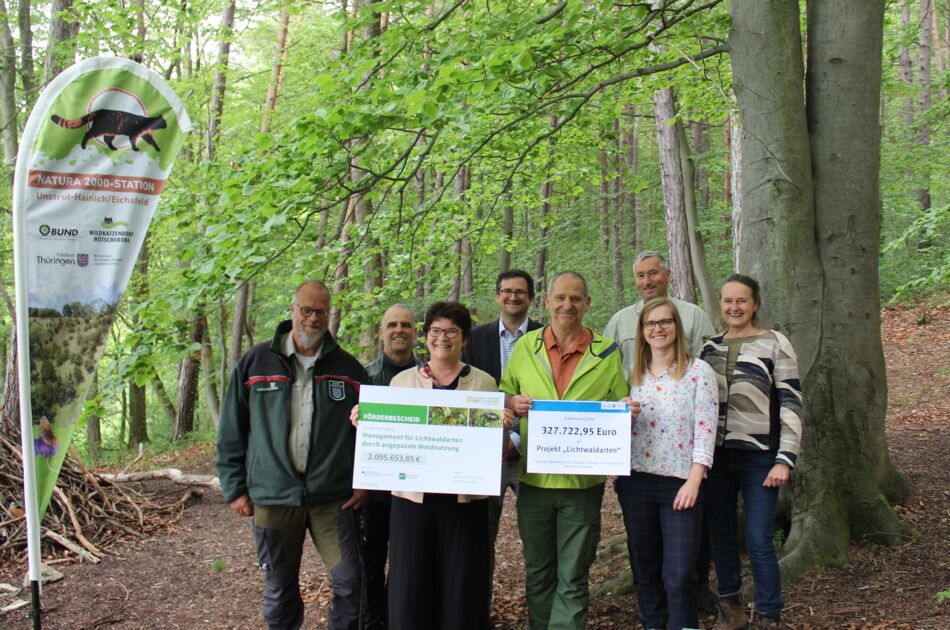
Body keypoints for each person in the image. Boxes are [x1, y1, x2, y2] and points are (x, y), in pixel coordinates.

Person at [216, 280, 368, 630]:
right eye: (307, 310)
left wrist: (365, 483)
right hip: (273, 495)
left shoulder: (347, 368)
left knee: (349, 581)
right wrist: (234, 487)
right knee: (279, 588)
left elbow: (371, 431)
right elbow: (231, 429)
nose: (313, 319)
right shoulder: (255, 363)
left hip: (334, 498)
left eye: (321, 312)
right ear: (292, 310)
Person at [355, 301, 505, 630]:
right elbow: (387, 433)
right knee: (411, 587)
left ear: (464, 339)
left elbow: (495, 450)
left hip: (464, 505)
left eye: (452, 331)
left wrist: (502, 427)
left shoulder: (484, 384)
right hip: (412, 502)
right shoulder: (403, 384)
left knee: (461, 588)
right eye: (435, 330)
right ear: (426, 337)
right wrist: (365, 421)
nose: (443, 338)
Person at [500, 271, 628, 630]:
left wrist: (626, 410)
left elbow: (619, 406)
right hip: (535, 482)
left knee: (572, 577)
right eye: (560, 298)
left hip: (582, 487)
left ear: (587, 304)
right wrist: (514, 402)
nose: (567, 305)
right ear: (547, 301)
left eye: (575, 299)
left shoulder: (607, 353)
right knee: (538, 573)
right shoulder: (527, 347)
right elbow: (503, 395)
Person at [603, 249, 718, 612]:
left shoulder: (698, 370)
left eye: (653, 273)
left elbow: (706, 427)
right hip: (635, 478)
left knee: (681, 571)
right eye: (640, 275)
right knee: (645, 567)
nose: (658, 329)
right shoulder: (633, 373)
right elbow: (607, 395)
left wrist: (695, 480)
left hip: (681, 479)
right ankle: (653, 622)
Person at [700, 274, 804, 629]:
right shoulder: (709, 348)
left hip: (760, 456)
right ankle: (731, 609)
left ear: (755, 304)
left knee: (759, 537)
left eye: (741, 301)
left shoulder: (775, 343)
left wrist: (785, 458)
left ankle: (770, 613)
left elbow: (791, 401)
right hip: (715, 458)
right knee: (722, 533)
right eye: (728, 301)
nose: (734, 307)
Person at [461, 269, 542, 613]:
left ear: (531, 299)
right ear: (497, 296)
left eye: (520, 292)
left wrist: (516, 438)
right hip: (484, 455)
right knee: (480, 540)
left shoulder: (545, 337)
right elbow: (463, 393)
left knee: (539, 540)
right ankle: (478, 613)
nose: (512, 297)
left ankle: (541, 612)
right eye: (506, 291)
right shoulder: (474, 339)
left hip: (535, 454)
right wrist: (499, 429)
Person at [361, 304, 422, 630]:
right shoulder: (365, 377)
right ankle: (372, 621)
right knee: (371, 563)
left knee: (409, 563)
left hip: (416, 490)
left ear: (416, 332)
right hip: (375, 490)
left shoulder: (429, 377)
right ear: (382, 331)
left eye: (406, 325)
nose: (399, 330)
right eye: (392, 325)